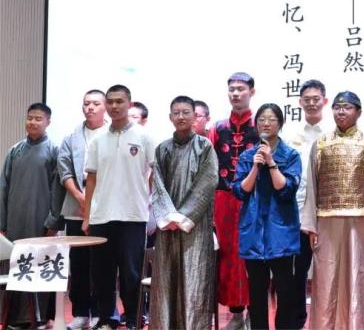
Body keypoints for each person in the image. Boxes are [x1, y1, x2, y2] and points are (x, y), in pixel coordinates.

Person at [300, 91, 364, 329]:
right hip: (326, 221)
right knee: (326, 278)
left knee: (357, 277)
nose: (341, 112)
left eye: (347, 107)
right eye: (337, 107)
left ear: (358, 112)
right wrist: (310, 224)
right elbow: (312, 185)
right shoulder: (321, 143)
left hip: (361, 221)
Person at [83, 85, 156, 330]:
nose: (114, 106)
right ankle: (107, 318)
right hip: (101, 216)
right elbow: (91, 179)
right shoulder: (97, 139)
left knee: (131, 273)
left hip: (133, 215)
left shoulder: (144, 137)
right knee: (102, 272)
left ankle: (133, 317)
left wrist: (151, 205)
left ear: (129, 103)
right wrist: (87, 216)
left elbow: (155, 175)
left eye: (119, 101)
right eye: (110, 102)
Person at [150, 96, 218, 329]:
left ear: (194, 116)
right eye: (176, 112)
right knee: (166, 281)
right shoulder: (162, 149)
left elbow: (208, 182)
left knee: (194, 281)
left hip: (194, 226)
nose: (181, 117)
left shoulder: (204, 147)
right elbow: (157, 186)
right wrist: (168, 217)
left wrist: (182, 217)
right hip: (167, 227)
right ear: (170, 117)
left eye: (186, 112)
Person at [232, 103, 301, 330]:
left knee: (285, 290)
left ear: (280, 124)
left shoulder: (290, 155)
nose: (266, 123)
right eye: (261, 119)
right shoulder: (247, 156)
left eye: (271, 119)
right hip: (254, 232)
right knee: (256, 292)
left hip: (281, 232)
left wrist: (271, 162)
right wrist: (255, 167)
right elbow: (240, 191)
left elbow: (286, 190)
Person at [1, 102, 60, 328]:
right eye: (29, 118)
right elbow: (3, 187)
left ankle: (40, 317)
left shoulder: (54, 151)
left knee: (41, 267)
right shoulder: (15, 150)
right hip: (15, 222)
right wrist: (2, 222)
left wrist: (53, 222)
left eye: (38, 119)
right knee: (17, 266)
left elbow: (58, 189)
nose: (32, 122)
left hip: (41, 221)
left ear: (48, 122)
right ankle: (14, 318)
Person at [209, 72, 260, 329]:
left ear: (252, 91)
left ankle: (254, 312)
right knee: (229, 257)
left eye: (241, 89)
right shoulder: (218, 128)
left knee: (252, 255)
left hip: (254, 200)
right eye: (232, 89)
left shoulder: (260, 126)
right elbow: (209, 169)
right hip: (224, 200)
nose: (236, 94)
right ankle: (236, 313)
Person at [55, 89, 108, 330]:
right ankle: (80, 313)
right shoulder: (71, 137)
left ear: (105, 107)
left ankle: (99, 312)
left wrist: (94, 201)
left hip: (104, 207)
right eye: (86, 103)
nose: (90, 108)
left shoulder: (112, 134)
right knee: (78, 263)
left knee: (101, 263)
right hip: (75, 207)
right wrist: (80, 197)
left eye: (96, 103)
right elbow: (64, 171)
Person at [284, 79, 329, 328]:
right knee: (298, 270)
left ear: (325, 100)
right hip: (299, 211)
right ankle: (298, 321)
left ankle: (326, 319)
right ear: (300, 102)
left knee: (328, 268)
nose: (312, 103)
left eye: (316, 99)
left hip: (327, 211)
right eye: (307, 99)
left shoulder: (332, 133)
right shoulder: (291, 135)